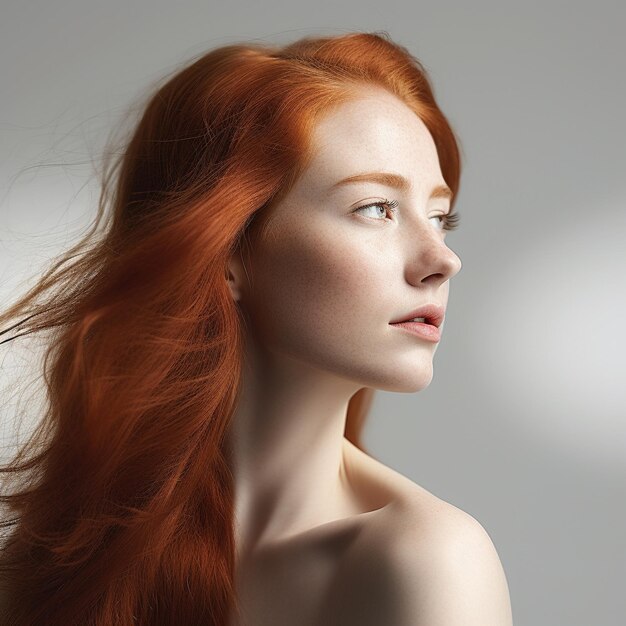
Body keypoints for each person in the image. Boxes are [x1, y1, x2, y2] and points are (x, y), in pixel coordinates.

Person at [0, 31, 513, 625]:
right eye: (376, 208)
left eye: (439, 217)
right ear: (227, 251)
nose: (443, 260)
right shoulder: (62, 556)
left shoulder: (427, 561)